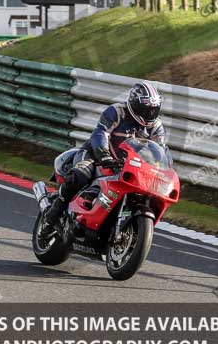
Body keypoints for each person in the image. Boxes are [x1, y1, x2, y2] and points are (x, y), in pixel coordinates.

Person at [41, 81, 166, 233]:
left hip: (128, 166)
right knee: (80, 175)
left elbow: (160, 150)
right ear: (134, 103)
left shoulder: (156, 127)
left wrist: (163, 169)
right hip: (95, 155)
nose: (149, 113)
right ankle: (52, 215)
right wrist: (104, 156)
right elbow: (100, 133)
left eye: (153, 109)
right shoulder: (117, 112)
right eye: (145, 108)